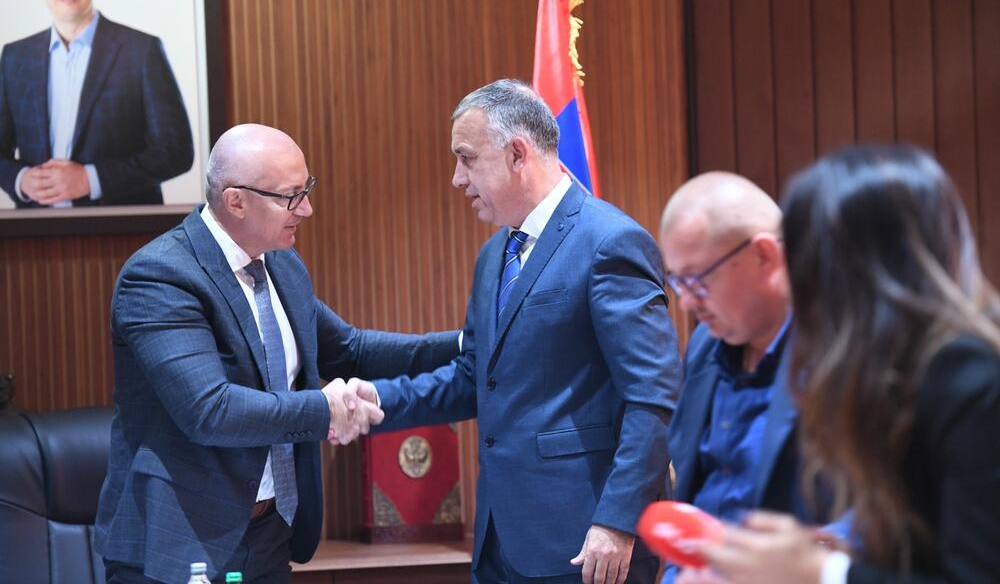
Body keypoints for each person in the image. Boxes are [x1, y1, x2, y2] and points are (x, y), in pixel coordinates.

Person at [346, 79, 682, 584]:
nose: (457, 178)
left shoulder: (609, 242)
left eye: (466, 158)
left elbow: (653, 395)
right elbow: (474, 378)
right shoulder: (493, 255)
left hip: (587, 542)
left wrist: (617, 521)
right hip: (500, 542)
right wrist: (376, 400)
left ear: (517, 153)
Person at [94, 124, 460, 583]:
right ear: (236, 201)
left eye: (306, 189)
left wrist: (466, 343)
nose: (307, 208)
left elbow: (350, 349)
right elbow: (210, 410)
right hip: (181, 538)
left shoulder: (280, 262)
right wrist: (326, 409)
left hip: (269, 533)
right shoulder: (160, 277)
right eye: (290, 196)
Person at [695, 144, 1000, 583]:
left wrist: (821, 570)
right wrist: (821, 554)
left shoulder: (971, 377)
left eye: (800, 260)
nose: (790, 283)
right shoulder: (896, 371)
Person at [657, 172, 825, 584]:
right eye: (677, 282)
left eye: (697, 280)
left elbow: (886, 514)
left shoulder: (842, 353)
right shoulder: (704, 345)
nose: (686, 302)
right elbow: (694, 495)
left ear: (764, 254)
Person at [0, 0, 193, 208]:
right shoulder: (15, 57)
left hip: (120, 224)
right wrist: (20, 179)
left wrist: (91, 179)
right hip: (36, 226)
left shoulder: (141, 51)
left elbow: (176, 151)